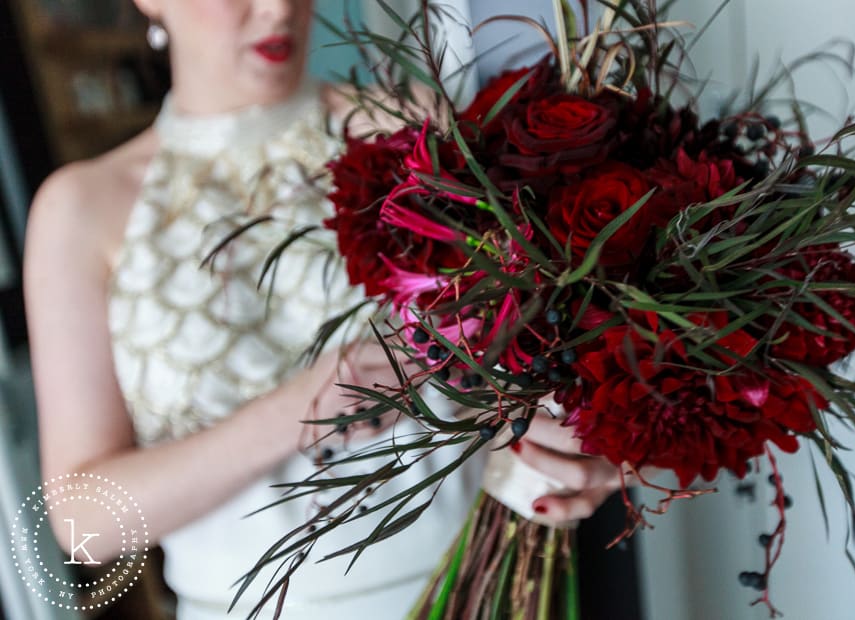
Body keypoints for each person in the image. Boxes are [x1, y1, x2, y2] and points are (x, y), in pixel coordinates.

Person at [22, 1, 625, 619]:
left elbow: (536, 356)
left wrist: (578, 444)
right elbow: (82, 519)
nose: (280, 9)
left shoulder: (414, 126)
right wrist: (294, 411)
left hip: (483, 585)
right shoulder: (81, 209)